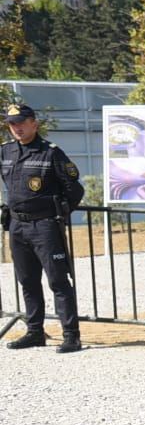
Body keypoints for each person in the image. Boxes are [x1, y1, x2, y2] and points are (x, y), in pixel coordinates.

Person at [1, 104, 86, 353]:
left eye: (21, 122)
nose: (16, 127)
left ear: (33, 124)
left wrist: (57, 215)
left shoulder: (51, 153)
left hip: (45, 226)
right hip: (17, 225)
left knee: (58, 281)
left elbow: (74, 190)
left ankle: (71, 335)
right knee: (27, 280)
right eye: (11, 123)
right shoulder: (5, 152)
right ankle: (35, 331)